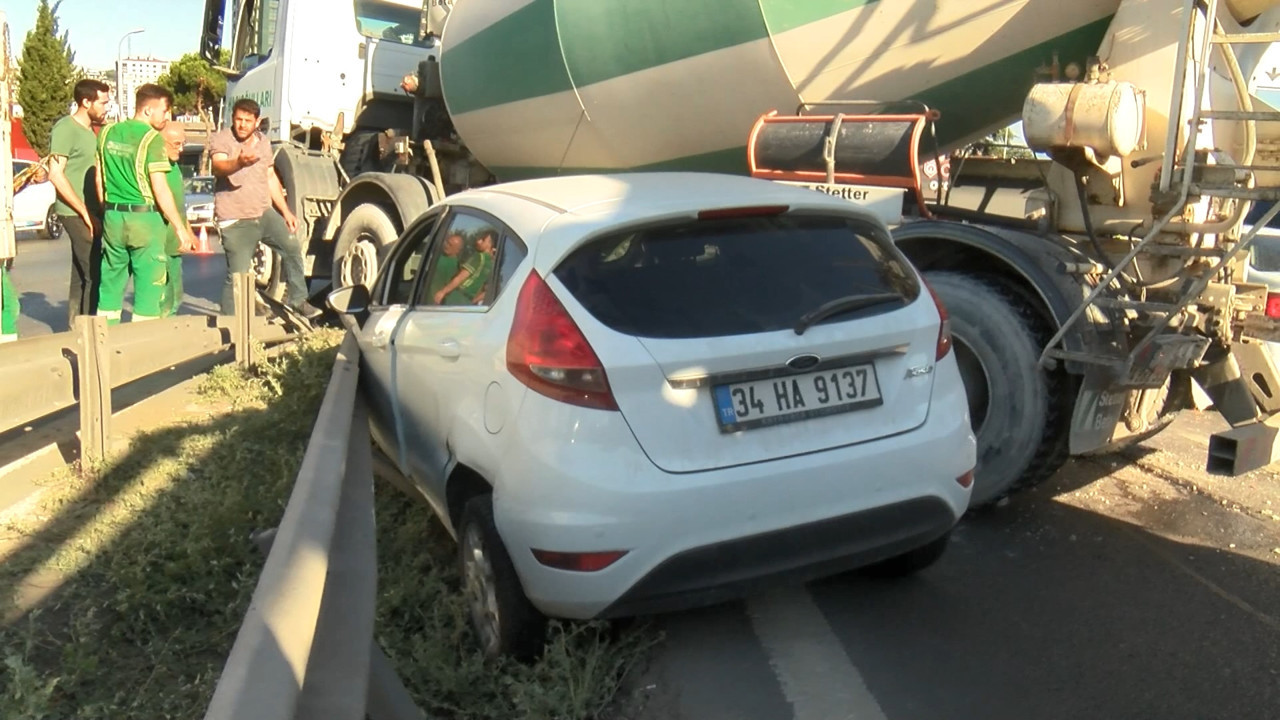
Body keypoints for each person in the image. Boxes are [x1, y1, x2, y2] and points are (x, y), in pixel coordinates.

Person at [209, 98, 319, 318]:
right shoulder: (222, 139)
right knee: (237, 276)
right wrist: (238, 162)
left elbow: (270, 177)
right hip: (235, 219)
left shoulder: (263, 143)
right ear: (233, 118)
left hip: (263, 213)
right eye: (238, 119)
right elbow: (218, 166)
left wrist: (286, 212)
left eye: (247, 121)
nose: (242, 125)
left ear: (256, 121)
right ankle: (230, 324)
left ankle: (298, 301)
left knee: (292, 247)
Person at [94, 83, 194, 324]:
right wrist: (180, 228)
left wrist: (106, 210)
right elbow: (160, 188)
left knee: (109, 287)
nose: (166, 116)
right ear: (148, 110)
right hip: (144, 220)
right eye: (164, 110)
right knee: (149, 287)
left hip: (113, 216)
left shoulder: (106, 133)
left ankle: (102, 343)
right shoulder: (152, 140)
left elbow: (100, 178)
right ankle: (143, 347)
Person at [48, 78, 110, 326]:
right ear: (86, 102)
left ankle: (75, 326)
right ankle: (91, 332)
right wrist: (84, 212)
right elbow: (55, 173)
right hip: (74, 211)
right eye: (103, 102)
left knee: (81, 274)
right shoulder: (65, 128)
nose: (106, 107)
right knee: (95, 272)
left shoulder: (90, 131)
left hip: (92, 210)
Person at [159, 123, 195, 317]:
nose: (180, 149)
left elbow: (179, 206)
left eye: (183, 143)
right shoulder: (157, 167)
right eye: (175, 144)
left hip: (175, 243)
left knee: (175, 295)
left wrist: (189, 232)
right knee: (163, 298)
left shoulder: (174, 167)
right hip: (161, 243)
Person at [433, 230, 496, 305]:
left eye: (483, 240)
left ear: (490, 244)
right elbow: (487, 291)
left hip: (458, 296)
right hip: (468, 301)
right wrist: (473, 301)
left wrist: (443, 292)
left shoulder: (479, 257)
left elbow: (460, 278)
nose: (478, 241)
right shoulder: (492, 264)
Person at [425, 233, 464, 302]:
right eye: (447, 242)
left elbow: (451, 285)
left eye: (450, 245)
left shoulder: (454, 265)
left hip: (435, 302)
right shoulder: (437, 256)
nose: (446, 246)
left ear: (457, 250)